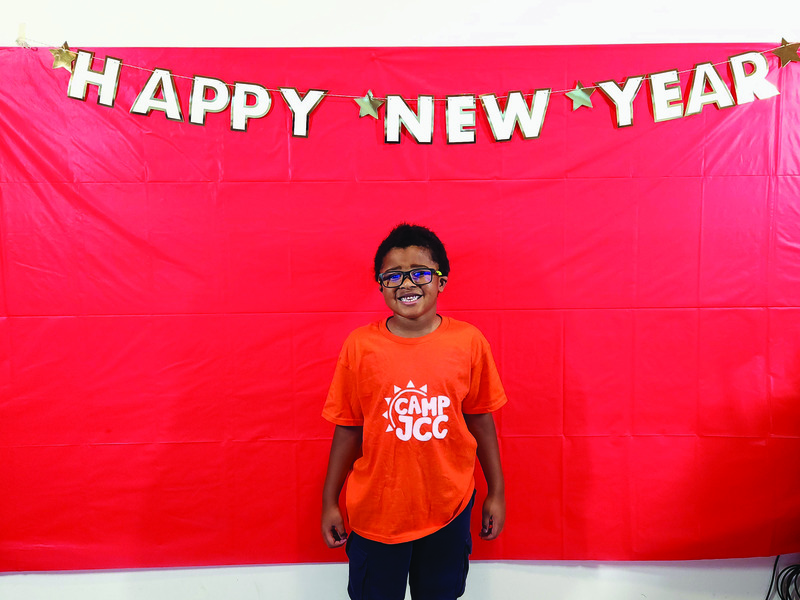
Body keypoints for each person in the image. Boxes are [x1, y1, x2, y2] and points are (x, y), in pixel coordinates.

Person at [320, 223, 507, 600]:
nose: (407, 283)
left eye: (420, 272)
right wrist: (329, 501)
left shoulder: (468, 342)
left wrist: (497, 491)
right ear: (380, 285)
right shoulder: (360, 347)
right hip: (377, 513)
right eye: (393, 276)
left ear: (442, 281)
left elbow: (481, 420)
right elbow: (348, 428)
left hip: (448, 508)